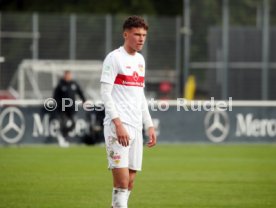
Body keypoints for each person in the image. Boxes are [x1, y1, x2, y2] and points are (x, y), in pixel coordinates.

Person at [100, 16, 157, 208]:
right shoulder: (114, 58)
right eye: (137, 34)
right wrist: (118, 124)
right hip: (118, 126)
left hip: (135, 126)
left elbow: (140, 95)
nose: (141, 39)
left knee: (129, 183)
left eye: (144, 35)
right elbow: (105, 94)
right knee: (122, 182)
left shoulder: (140, 60)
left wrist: (149, 125)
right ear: (126, 34)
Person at [53, 70, 86, 147]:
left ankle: (64, 136)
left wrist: (84, 100)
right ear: (64, 75)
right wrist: (58, 104)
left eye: (69, 75)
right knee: (63, 123)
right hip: (63, 108)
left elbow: (80, 92)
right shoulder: (60, 85)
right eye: (67, 75)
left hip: (72, 108)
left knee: (74, 123)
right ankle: (62, 137)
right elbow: (55, 96)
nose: (68, 76)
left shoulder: (74, 84)